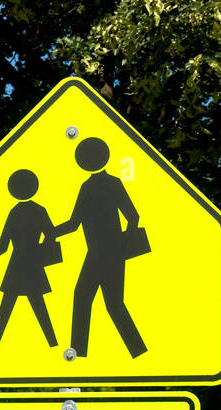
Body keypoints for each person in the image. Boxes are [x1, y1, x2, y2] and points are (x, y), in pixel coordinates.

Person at [54, 136, 148, 359]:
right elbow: (132, 217)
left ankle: (79, 353)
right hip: (107, 254)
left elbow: (74, 224)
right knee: (111, 303)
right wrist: (121, 245)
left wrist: (49, 233)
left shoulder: (91, 187)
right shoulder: (106, 184)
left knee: (87, 298)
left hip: (101, 254)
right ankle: (137, 351)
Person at [0, 168, 63, 349]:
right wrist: (40, 252)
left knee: (8, 307)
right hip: (33, 265)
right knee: (37, 306)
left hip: (17, 265)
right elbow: (51, 234)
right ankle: (53, 345)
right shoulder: (39, 210)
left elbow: (3, 245)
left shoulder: (15, 212)